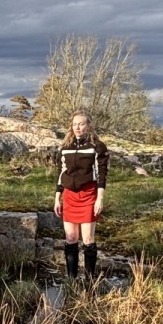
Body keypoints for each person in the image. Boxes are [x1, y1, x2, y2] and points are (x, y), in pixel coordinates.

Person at [53, 111, 108, 282]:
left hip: (88, 195)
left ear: (88, 125)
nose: (78, 127)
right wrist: (57, 197)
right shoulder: (65, 148)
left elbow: (101, 174)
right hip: (69, 196)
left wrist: (99, 198)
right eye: (75, 124)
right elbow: (63, 172)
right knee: (71, 238)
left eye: (81, 124)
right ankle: (71, 279)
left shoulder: (97, 146)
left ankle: (90, 280)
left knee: (88, 239)